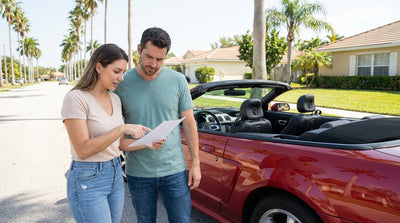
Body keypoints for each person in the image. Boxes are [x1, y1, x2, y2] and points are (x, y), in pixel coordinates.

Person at [61, 43, 164, 223]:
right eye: (117, 71)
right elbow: (83, 149)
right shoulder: (76, 98)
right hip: (88, 177)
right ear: (99, 67)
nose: (121, 78)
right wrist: (121, 129)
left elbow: (121, 144)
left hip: (115, 173)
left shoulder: (115, 99)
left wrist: (148, 142)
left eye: (123, 72)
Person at [115, 27, 201, 223]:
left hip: (175, 171)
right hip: (138, 173)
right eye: (148, 57)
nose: (153, 64)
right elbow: (116, 130)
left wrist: (195, 164)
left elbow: (189, 123)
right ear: (139, 49)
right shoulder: (121, 83)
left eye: (160, 59)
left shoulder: (178, 80)